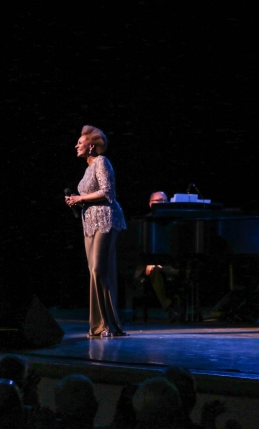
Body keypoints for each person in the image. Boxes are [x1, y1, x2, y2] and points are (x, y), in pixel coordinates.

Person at [66, 125, 127, 337]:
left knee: (99, 270)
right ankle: (98, 324)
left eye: (80, 143)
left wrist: (80, 198)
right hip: (89, 222)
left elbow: (107, 192)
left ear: (91, 146)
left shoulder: (102, 162)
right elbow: (90, 194)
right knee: (93, 270)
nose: (76, 145)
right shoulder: (87, 168)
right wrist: (76, 201)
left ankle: (108, 323)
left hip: (106, 219)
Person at [134, 191, 182, 322]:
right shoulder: (144, 222)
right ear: (150, 204)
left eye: (164, 201)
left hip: (169, 263)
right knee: (155, 270)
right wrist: (150, 262)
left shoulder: (175, 221)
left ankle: (188, 308)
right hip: (149, 264)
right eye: (158, 201)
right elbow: (138, 250)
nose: (162, 204)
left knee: (188, 269)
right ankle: (170, 309)